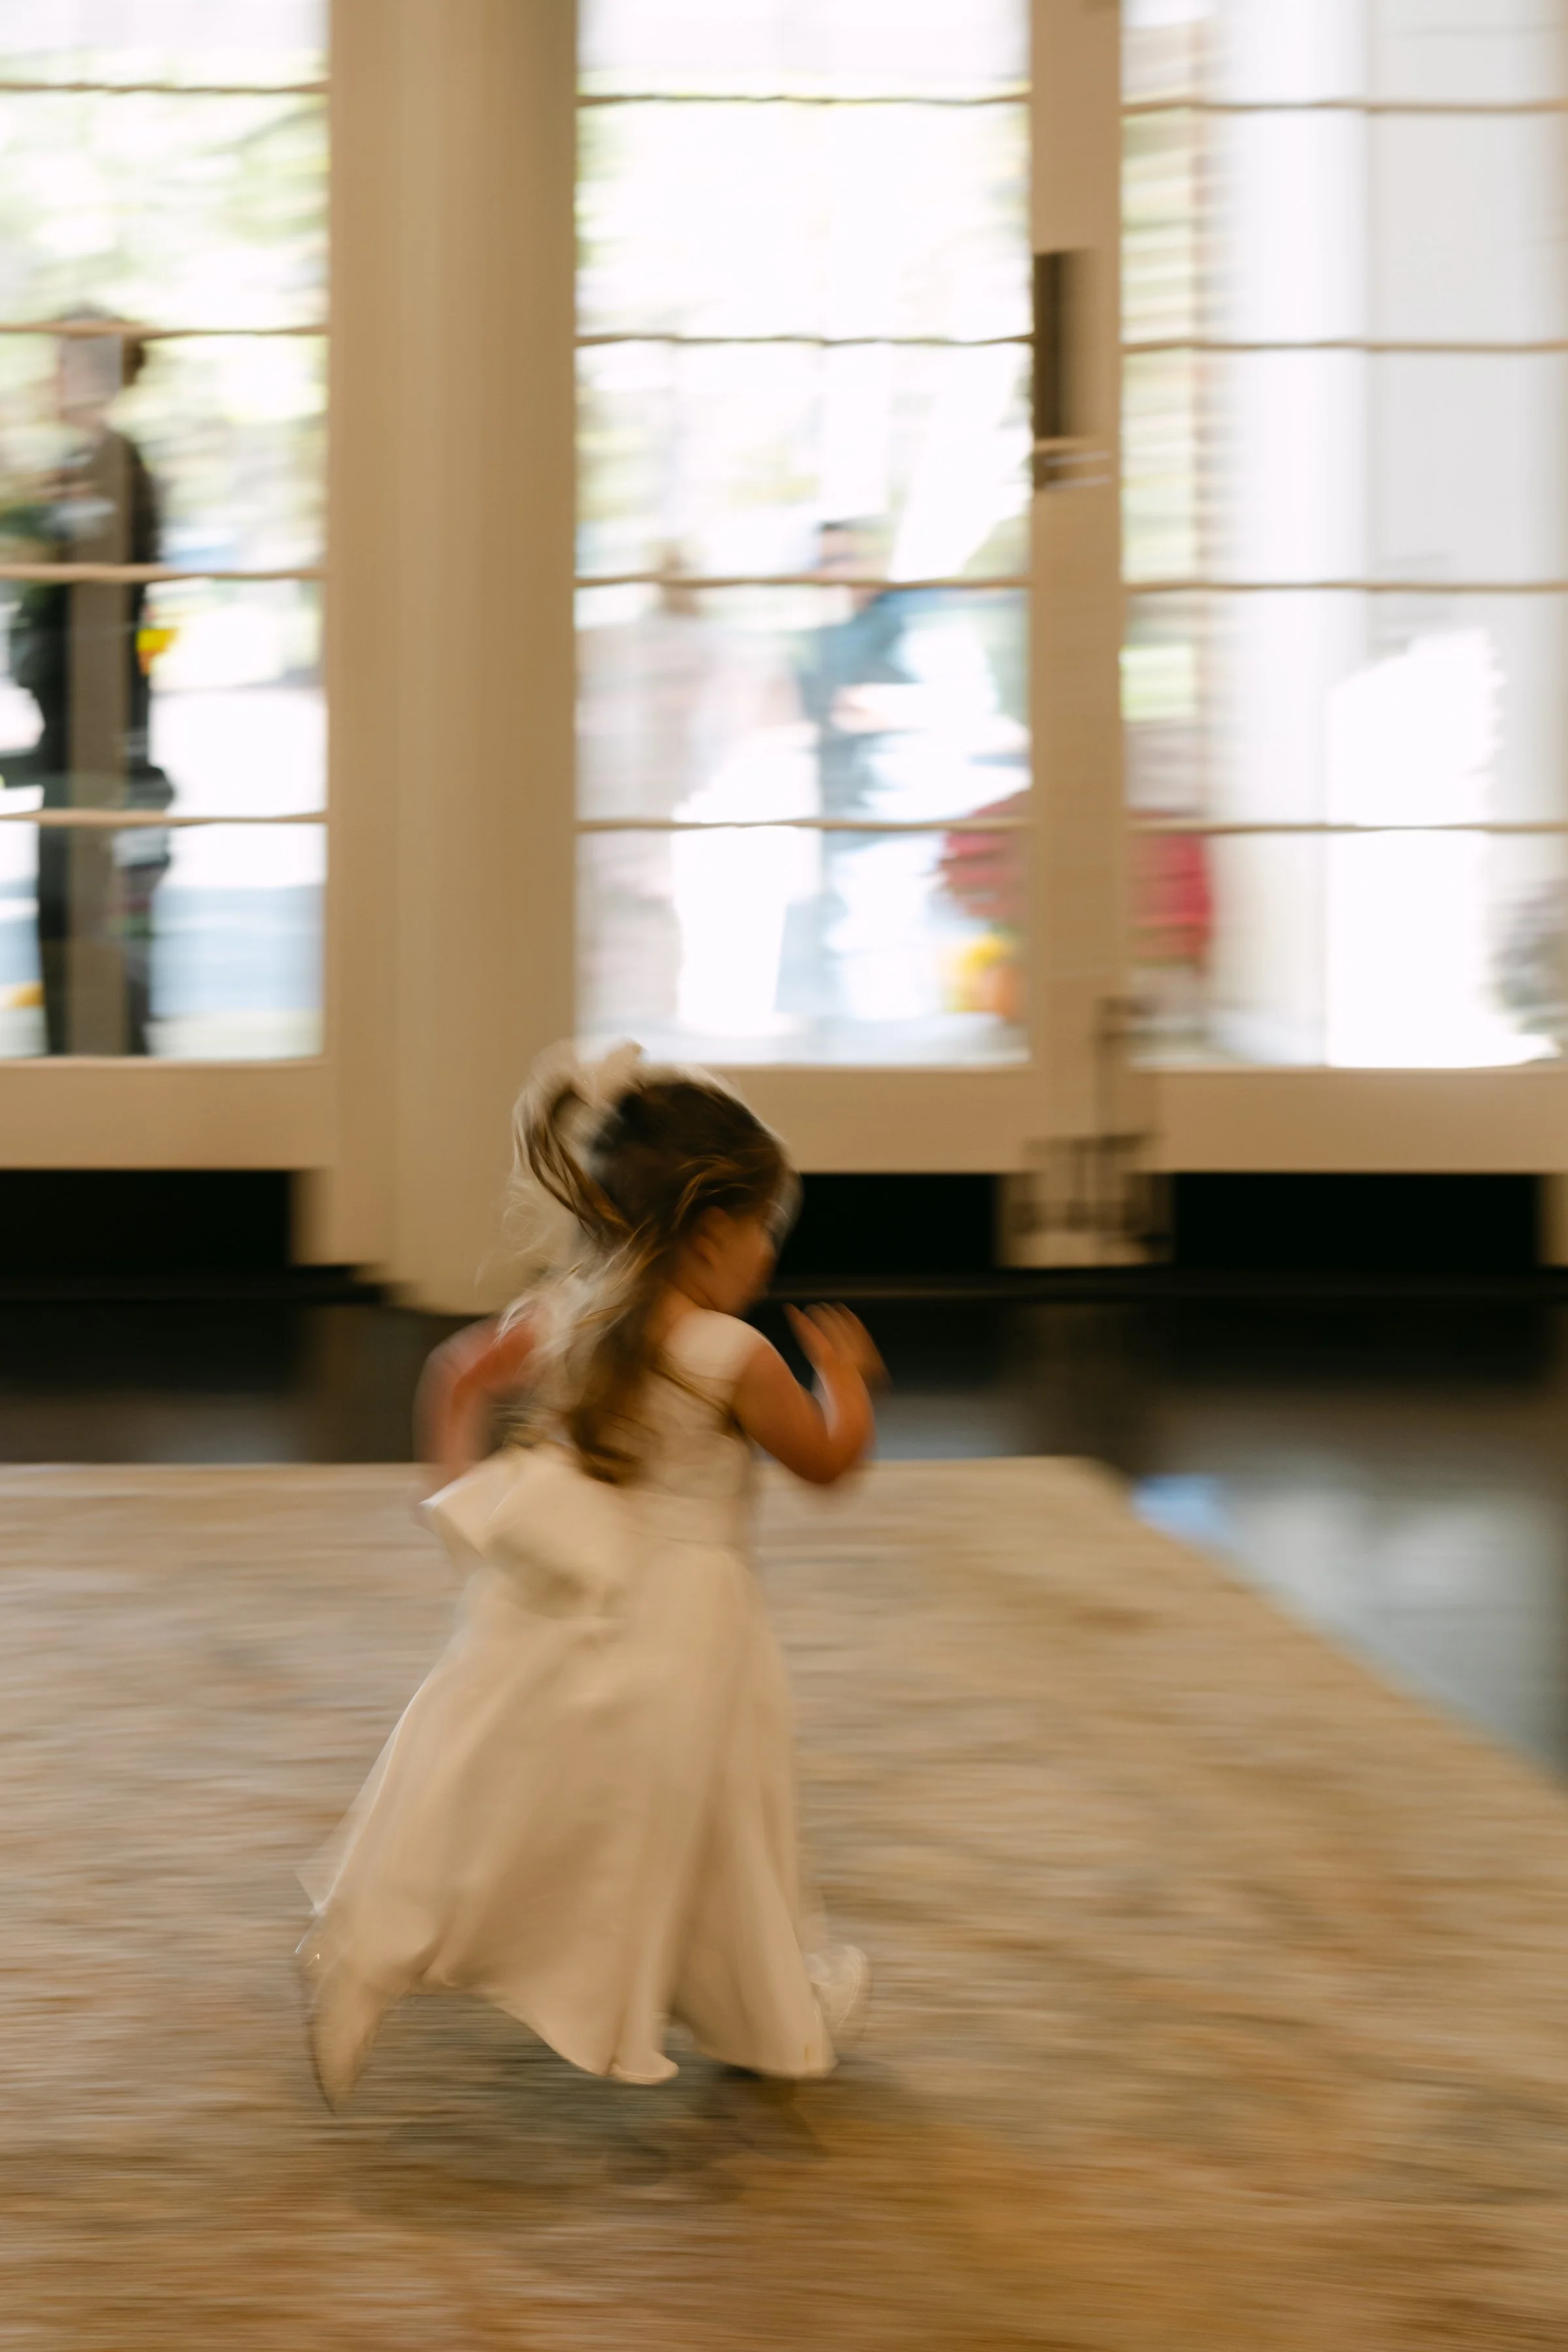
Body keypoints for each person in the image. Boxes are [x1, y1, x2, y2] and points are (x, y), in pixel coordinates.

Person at [297, 1043, 883, 2107]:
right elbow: (829, 1467)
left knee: (493, 1786)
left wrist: (468, 1503)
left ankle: (376, 1945)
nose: (768, 1254)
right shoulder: (733, 1356)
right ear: (712, 1231)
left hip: (561, 1599)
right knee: (715, 1818)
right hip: (695, 1624)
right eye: (763, 1229)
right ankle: (760, 2011)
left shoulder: (565, 1313)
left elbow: (454, 1377)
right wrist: (848, 1383)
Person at [5, 314, 172, 1053]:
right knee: (78, 936)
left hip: (98, 746)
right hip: (77, 738)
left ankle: (115, 1118)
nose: (50, 379)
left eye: (61, 364)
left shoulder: (112, 471)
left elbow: (81, 609)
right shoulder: (91, 467)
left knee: (90, 940)